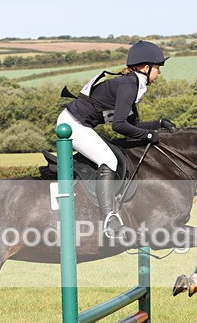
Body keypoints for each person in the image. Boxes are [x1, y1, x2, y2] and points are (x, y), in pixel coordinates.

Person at [57, 40, 177, 237]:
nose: (159, 72)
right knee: (109, 160)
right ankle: (109, 218)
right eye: (157, 67)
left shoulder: (133, 84)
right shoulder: (128, 85)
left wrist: (158, 124)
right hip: (72, 125)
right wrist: (149, 136)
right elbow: (119, 125)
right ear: (146, 68)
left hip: (80, 124)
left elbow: (133, 123)